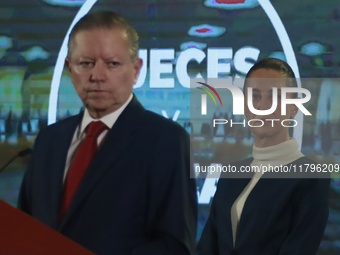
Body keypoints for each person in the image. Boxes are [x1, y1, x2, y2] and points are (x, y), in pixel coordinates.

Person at [18, 11, 197, 255]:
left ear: (135, 70)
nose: (97, 76)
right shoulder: (50, 139)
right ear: (70, 69)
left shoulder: (166, 140)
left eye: (112, 64)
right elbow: (23, 230)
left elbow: (175, 245)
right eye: (86, 63)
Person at [197, 58, 330, 255]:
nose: (263, 107)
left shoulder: (310, 178)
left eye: (274, 97)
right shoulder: (231, 173)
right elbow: (208, 246)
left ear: (294, 107)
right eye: (255, 97)